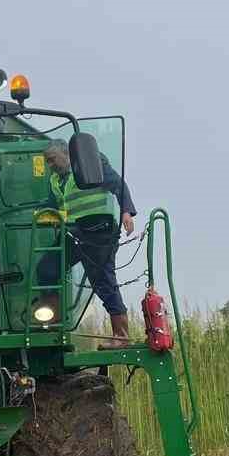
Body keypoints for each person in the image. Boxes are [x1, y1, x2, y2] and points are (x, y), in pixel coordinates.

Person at [43, 141, 136, 344]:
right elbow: (50, 206)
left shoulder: (90, 164)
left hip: (99, 232)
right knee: (47, 268)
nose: (50, 165)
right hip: (74, 233)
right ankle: (53, 322)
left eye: (52, 159)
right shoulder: (55, 181)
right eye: (47, 161)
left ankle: (122, 336)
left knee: (102, 281)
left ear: (67, 154)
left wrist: (126, 212)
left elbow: (117, 184)